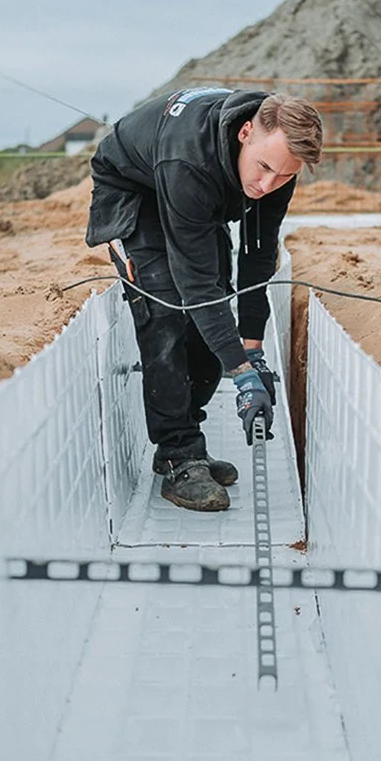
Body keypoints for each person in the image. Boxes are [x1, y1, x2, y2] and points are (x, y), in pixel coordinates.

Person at [85, 87, 324, 512]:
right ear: (246, 132)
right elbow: (194, 287)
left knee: (217, 314)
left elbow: (257, 256)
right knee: (168, 311)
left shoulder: (280, 168)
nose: (268, 184)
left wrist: (253, 352)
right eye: (264, 167)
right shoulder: (188, 161)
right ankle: (180, 454)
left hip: (195, 196)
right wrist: (242, 373)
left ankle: (184, 441)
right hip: (138, 192)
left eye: (284, 176)